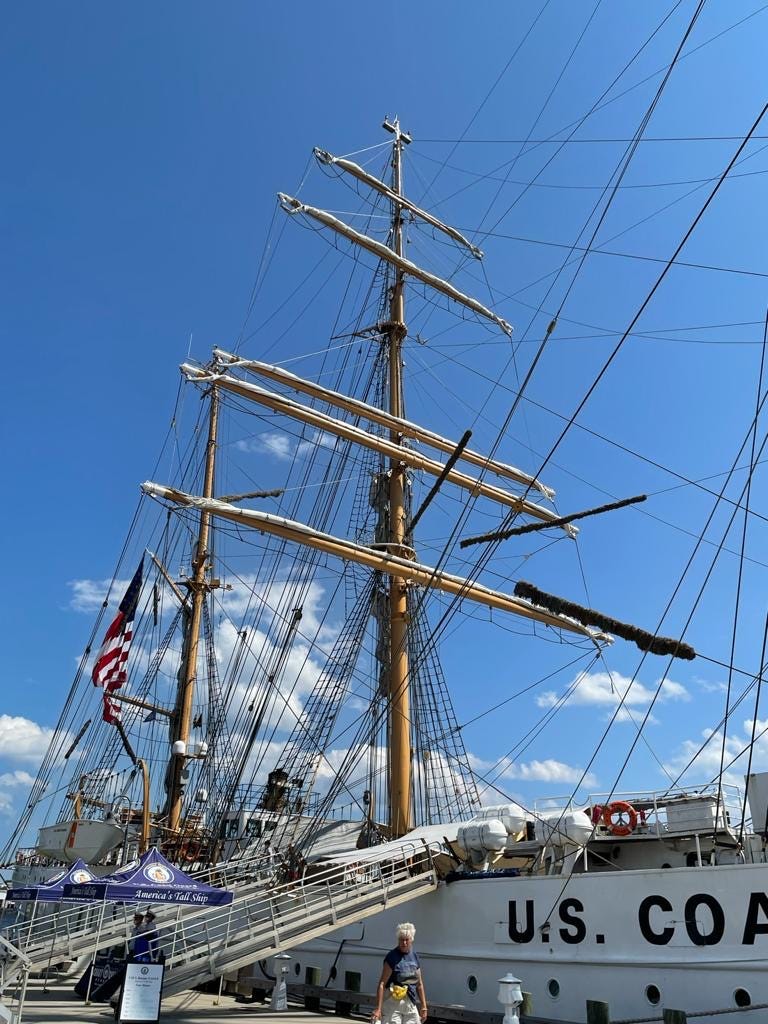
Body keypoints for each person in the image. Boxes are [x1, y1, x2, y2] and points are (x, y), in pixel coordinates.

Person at [372, 923, 427, 1024]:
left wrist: (424, 1006)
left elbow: (419, 984)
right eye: (401, 939)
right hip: (392, 1002)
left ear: (411, 940)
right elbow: (382, 984)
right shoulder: (391, 957)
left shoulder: (415, 957)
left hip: (410, 1002)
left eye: (407, 939)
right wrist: (378, 1009)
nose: (404, 942)